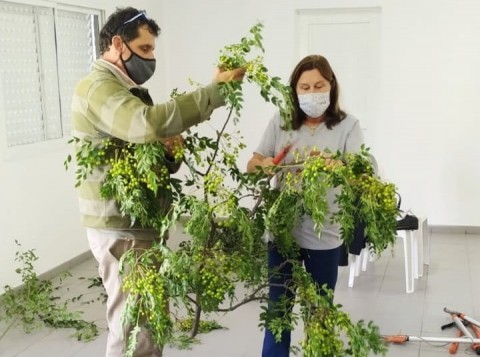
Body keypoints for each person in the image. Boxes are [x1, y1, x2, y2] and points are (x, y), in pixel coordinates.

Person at [71, 7, 244, 357]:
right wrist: (214, 93)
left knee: (147, 320)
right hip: (120, 227)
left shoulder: (128, 90)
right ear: (118, 44)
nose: (151, 59)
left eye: (153, 51)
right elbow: (148, 124)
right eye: (145, 49)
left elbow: (150, 148)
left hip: (139, 223)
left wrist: (169, 151)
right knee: (136, 326)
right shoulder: (98, 88)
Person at [246, 54, 366, 357]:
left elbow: (361, 173)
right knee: (278, 310)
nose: (312, 93)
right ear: (294, 90)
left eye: (318, 86)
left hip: (325, 233)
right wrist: (263, 166)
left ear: (331, 86)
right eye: (304, 87)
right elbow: (255, 161)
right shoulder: (281, 121)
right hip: (282, 232)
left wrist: (334, 165)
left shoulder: (348, 126)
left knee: (319, 312)